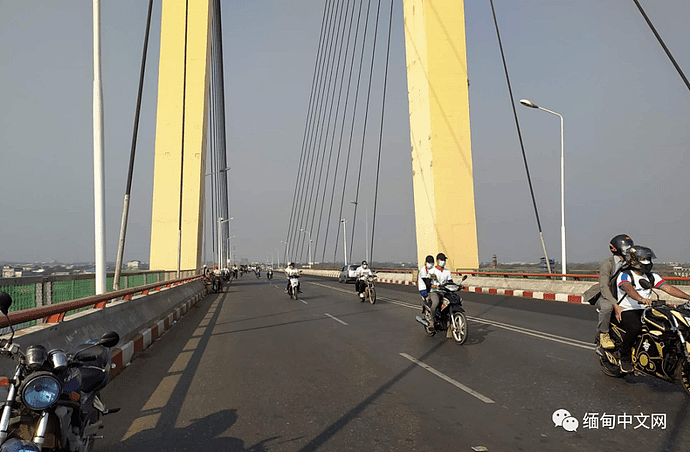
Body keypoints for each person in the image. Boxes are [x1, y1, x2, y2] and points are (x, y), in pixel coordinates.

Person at [614, 245, 690, 372]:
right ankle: (624, 356)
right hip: (628, 309)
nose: (647, 262)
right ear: (634, 260)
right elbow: (628, 288)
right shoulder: (625, 275)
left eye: (648, 259)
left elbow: (668, 288)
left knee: (668, 325)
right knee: (635, 327)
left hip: (646, 309)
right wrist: (640, 299)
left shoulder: (651, 276)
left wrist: (688, 297)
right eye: (643, 259)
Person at [595, 234, 635, 349]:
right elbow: (603, 286)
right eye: (626, 248)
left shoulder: (630, 263)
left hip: (622, 293)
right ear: (615, 248)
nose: (629, 251)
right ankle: (603, 334)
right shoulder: (608, 264)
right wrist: (614, 303)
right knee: (607, 307)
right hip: (607, 295)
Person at [427, 253, 454, 330]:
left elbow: (450, 282)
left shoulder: (447, 271)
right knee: (436, 302)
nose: (443, 262)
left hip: (445, 291)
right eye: (442, 260)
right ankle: (432, 321)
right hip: (435, 291)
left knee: (451, 302)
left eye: (444, 260)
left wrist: (457, 285)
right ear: (437, 261)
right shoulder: (432, 271)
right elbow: (429, 283)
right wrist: (434, 286)